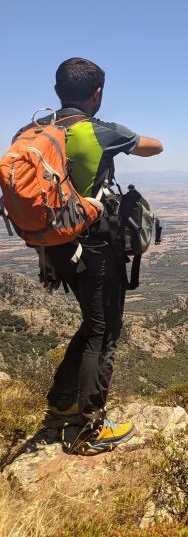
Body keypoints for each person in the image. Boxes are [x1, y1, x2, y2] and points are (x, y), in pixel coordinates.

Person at [22, 58, 164, 455]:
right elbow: (155, 147)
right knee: (103, 333)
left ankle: (62, 403)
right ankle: (89, 426)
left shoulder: (34, 133)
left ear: (57, 92)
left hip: (55, 249)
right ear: (97, 93)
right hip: (96, 248)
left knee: (91, 325)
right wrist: (128, 140)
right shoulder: (99, 132)